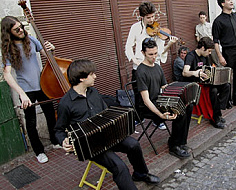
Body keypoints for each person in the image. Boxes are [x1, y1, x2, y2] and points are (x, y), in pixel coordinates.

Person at [55, 59, 160, 189]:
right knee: (119, 166)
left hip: (108, 136)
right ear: (82, 78)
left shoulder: (93, 92)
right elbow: (58, 130)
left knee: (134, 145)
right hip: (91, 146)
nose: (95, 76)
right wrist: (63, 141)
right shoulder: (66, 103)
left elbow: (106, 113)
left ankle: (141, 174)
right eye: (92, 74)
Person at [1, 16, 60, 163]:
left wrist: (51, 50)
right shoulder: (8, 50)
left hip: (42, 84)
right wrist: (21, 94)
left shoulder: (31, 40)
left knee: (50, 115)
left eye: (21, 26)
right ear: (9, 32)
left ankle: (55, 141)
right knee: (31, 122)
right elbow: (7, 74)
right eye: (17, 29)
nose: (21, 30)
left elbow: (47, 55)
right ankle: (39, 151)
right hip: (26, 90)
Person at [136, 38, 191, 159]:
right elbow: (146, 100)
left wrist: (178, 96)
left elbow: (165, 87)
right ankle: (174, 146)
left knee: (188, 105)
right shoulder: (140, 71)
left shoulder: (157, 67)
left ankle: (181, 142)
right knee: (180, 112)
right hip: (147, 107)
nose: (154, 56)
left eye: (156, 53)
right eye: (151, 54)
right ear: (143, 53)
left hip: (159, 101)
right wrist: (160, 115)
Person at [182, 37, 230, 129]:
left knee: (226, 86)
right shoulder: (190, 56)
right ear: (203, 48)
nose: (210, 53)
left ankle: (218, 111)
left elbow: (209, 69)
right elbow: (185, 72)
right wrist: (196, 73)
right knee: (214, 91)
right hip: (195, 84)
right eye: (209, 51)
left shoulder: (206, 56)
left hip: (205, 83)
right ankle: (215, 119)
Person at [125, 1, 178, 79]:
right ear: (142, 17)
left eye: (153, 16)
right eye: (148, 17)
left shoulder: (157, 30)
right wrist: (134, 60)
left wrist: (169, 44)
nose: (152, 20)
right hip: (139, 68)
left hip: (154, 67)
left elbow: (160, 51)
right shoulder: (135, 27)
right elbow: (128, 46)